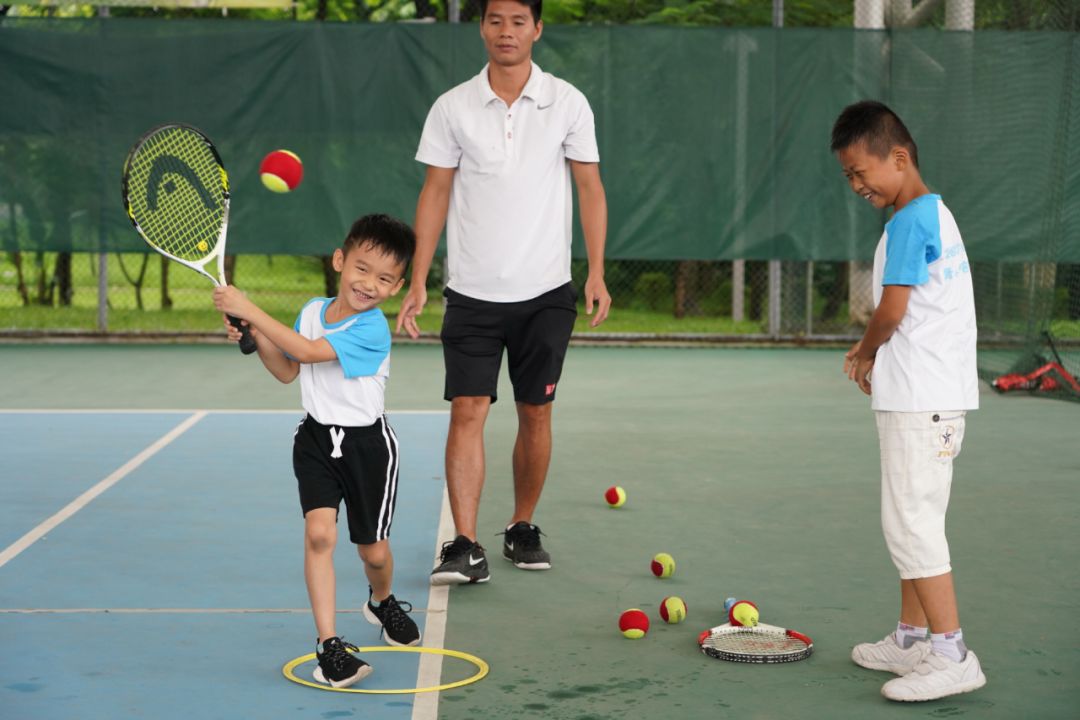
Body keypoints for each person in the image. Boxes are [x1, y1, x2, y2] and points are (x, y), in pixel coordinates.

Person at [398, 0, 611, 586]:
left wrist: (594, 271)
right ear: (483, 28)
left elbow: (589, 188)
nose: (506, 32)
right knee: (467, 410)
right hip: (470, 293)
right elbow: (435, 193)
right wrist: (417, 279)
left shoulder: (567, 102)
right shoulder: (452, 107)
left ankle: (522, 527)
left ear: (537, 29)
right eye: (495, 20)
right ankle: (464, 543)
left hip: (546, 292)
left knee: (535, 412)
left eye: (519, 21)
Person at [213, 214, 421, 688]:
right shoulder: (312, 310)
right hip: (315, 442)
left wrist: (252, 308)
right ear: (340, 261)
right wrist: (256, 334)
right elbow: (288, 370)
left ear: (396, 287)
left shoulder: (373, 330)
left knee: (373, 552)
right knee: (319, 536)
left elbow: (307, 353)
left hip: (368, 448)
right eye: (362, 269)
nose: (369, 284)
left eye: (384, 278)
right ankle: (330, 645)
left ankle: (382, 601)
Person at [832, 100, 986, 702]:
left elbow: (892, 310)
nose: (856, 184)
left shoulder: (908, 222)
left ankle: (951, 653)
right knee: (914, 519)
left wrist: (864, 353)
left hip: (922, 402)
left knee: (912, 523)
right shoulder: (931, 215)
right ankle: (911, 637)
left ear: (898, 157)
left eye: (860, 171)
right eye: (847, 176)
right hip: (931, 398)